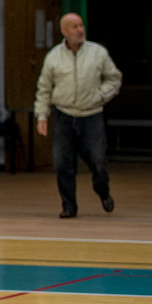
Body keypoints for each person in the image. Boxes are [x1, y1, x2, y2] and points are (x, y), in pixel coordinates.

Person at [34, 12, 122, 218]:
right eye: (74, 27)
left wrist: (100, 96)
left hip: (92, 115)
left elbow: (114, 78)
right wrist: (42, 116)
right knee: (63, 163)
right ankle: (69, 206)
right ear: (64, 31)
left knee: (98, 160)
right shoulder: (53, 56)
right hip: (63, 115)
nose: (80, 30)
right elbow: (44, 89)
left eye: (81, 25)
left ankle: (103, 192)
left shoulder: (98, 53)